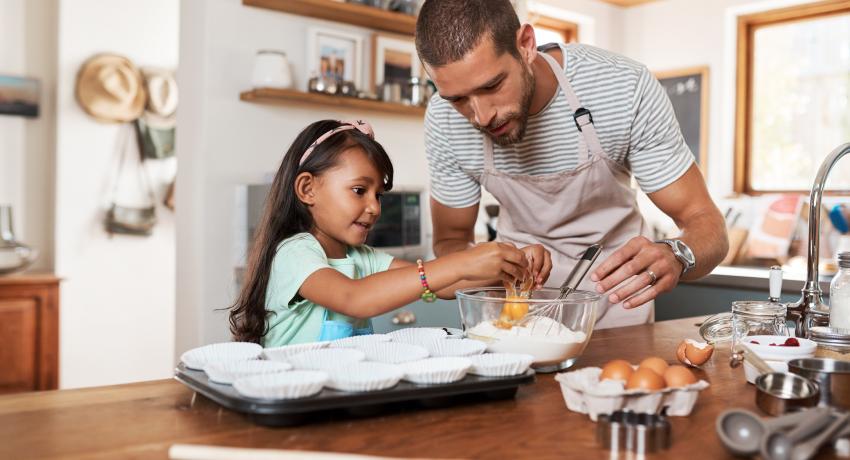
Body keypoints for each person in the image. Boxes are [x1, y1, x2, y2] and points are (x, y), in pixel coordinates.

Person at [415, 0, 729, 328]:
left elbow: (707, 224)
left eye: (492, 85)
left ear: (525, 44)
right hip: (514, 313)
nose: (481, 116)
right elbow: (450, 241)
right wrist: (493, 268)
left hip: (617, 307)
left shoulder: (623, 86)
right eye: (457, 99)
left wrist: (678, 254)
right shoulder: (443, 121)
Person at [229, 119, 537, 346]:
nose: (375, 208)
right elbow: (355, 299)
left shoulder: (362, 258)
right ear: (308, 189)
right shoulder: (294, 252)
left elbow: (442, 286)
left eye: (379, 195)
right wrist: (462, 262)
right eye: (360, 190)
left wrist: (512, 264)